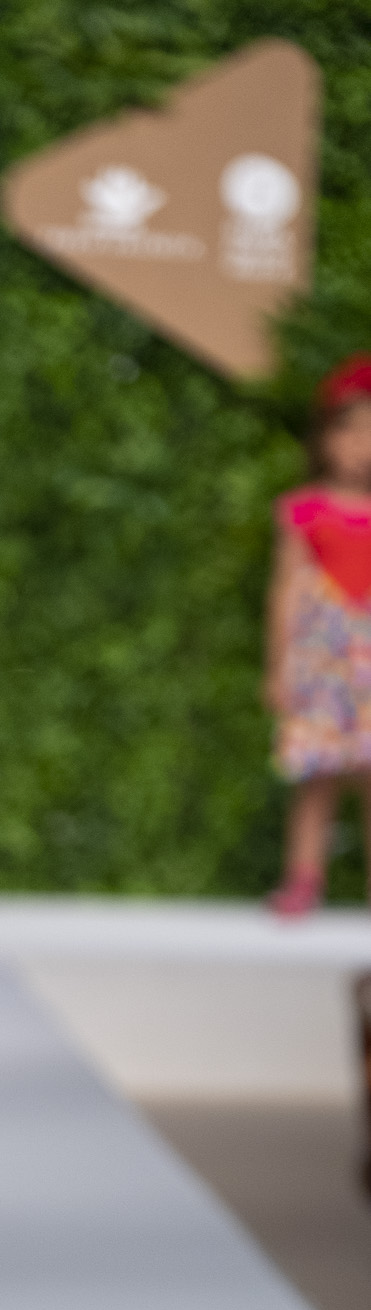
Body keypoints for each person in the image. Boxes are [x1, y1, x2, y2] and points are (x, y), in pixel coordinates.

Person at [265, 355, 371, 915]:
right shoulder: (305, 510)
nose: (359, 447)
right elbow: (286, 590)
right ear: (326, 438)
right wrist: (278, 667)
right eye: (349, 432)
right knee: (318, 777)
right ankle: (303, 878)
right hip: (322, 663)